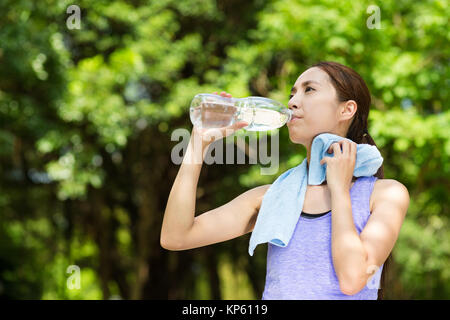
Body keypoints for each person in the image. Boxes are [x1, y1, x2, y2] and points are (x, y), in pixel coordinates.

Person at [160, 61, 410, 300]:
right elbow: (176, 236)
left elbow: (352, 279)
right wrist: (198, 143)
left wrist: (339, 190)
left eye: (309, 90)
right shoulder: (273, 196)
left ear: (346, 109)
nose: (292, 102)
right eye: (292, 94)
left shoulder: (386, 194)